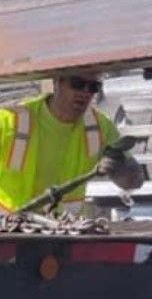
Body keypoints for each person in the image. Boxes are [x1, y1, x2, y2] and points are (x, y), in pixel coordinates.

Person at [0, 72, 144, 214]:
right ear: (56, 82)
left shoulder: (101, 127)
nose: (85, 92)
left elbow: (134, 181)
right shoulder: (9, 121)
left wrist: (119, 168)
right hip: (10, 229)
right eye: (77, 84)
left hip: (63, 230)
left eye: (93, 87)